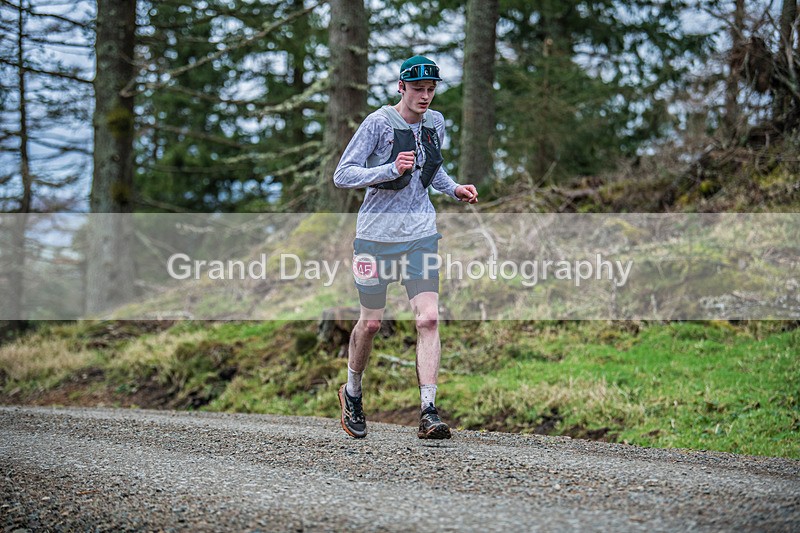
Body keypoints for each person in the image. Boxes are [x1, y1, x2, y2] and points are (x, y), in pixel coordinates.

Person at [332, 55, 478, 439]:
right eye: (417, 89)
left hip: (420, 234)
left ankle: (429, 411)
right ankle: (352, 391)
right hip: (375, 237)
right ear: (401, 87)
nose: (425, 96)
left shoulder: (435, 122)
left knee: (428, 318)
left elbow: (431, 169)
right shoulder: (378, 123)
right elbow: (343, 174)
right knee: (371, 323)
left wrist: (454, 188)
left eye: (430, 89)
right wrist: (389, 170)